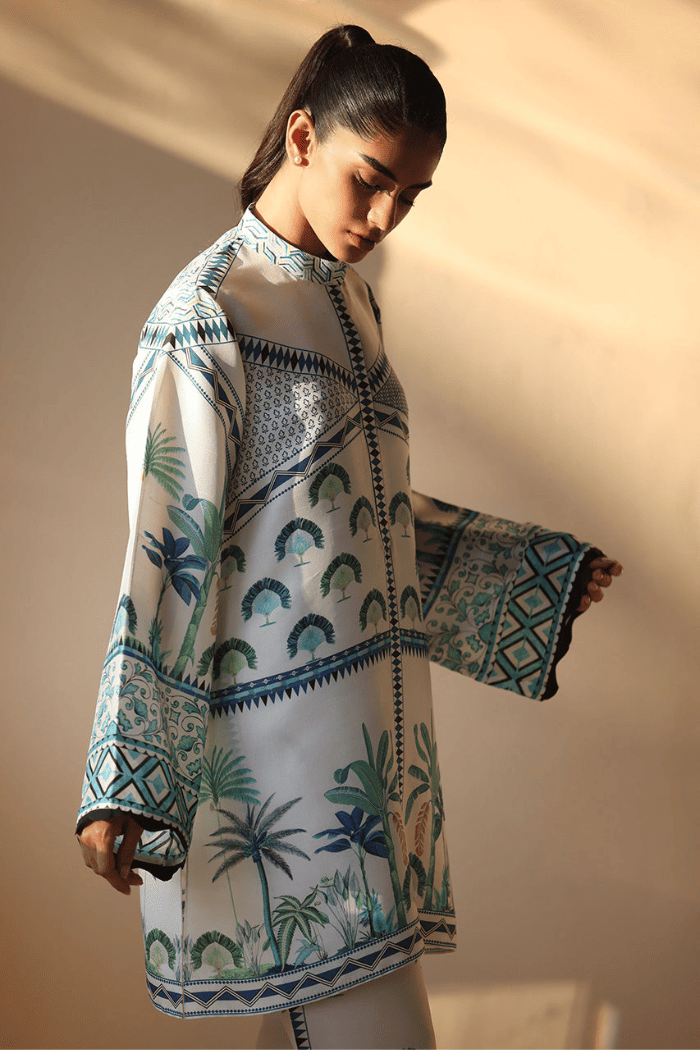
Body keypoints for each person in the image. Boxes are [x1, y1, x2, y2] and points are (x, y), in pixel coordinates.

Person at [76, 23, 621, 1050]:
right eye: (370, 180)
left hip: (364, 770)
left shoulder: (351, 307)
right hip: (274, 769)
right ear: (300, 138)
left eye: (409, 197)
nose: (383, 216)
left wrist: (525, 573)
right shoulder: (210, 316)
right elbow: (168, 551)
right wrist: (125, 777)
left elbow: (338, 520)